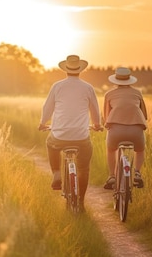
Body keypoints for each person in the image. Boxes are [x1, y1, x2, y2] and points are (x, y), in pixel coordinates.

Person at [38, 55, 103, 210]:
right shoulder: (88, 87)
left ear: (65, 70)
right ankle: (80, 203)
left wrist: (42, 123)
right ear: (80, 70)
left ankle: (56, 173)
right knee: (84, 169)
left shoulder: (57, 86)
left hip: (59, 135)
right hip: (81, 137)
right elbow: (95, 109)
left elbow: (47, 108)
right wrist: (97, 124)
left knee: (50, 143)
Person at [102, 67, 148, 190]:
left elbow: (106, 117)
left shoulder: (109, 94)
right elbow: (144, 114)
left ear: (115, 80)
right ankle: (137, 172)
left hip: (116, 132)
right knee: (140, 150)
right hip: (136, 132)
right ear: (129, 80)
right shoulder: (138, 93)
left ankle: (112, 176)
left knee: (111, 149)